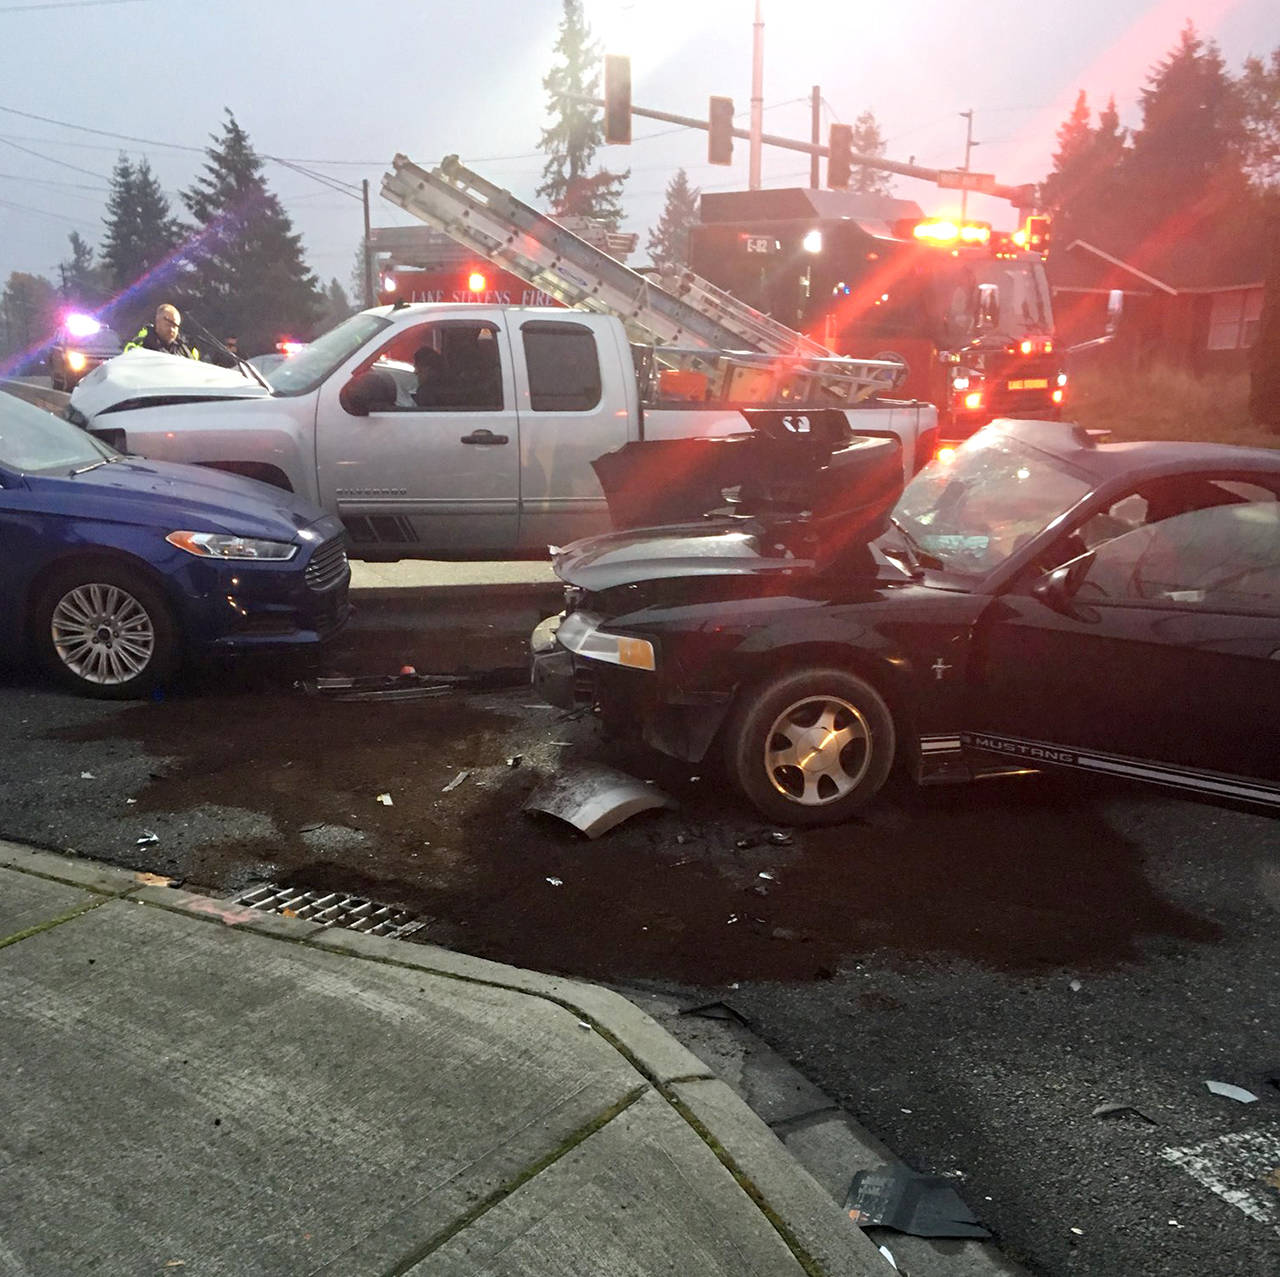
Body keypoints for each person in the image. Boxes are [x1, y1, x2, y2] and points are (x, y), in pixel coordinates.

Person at [124, 303, 200, 359]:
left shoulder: (183, 349)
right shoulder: (141, 343)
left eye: (175, 326)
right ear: (157, 322)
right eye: (168, 325)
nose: (172, 329)